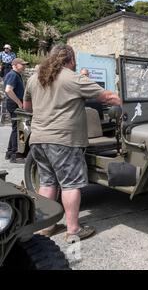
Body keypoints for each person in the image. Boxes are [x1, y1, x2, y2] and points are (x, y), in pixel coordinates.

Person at [23, 44, 121, 243]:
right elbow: (108, 97)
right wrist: (124, 101)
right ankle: (73, 230)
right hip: (64, 141)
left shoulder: (35, 78)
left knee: (47, 183)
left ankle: (46, 226)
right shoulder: (73, 78)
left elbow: (26, 106)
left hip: (39, 139)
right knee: (70, 185)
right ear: (71, 59)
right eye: (75, 60)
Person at [4, 58, 27, 163]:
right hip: (14, 104)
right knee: (17, 129)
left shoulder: (14, 74)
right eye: (22, 64)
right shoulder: (13, 75)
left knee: (15, 128)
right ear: (15, 65)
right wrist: (19, 102)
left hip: (13, 103)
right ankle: (14, 155)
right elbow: (8, 90)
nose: (24, 66)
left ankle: (9, 153)